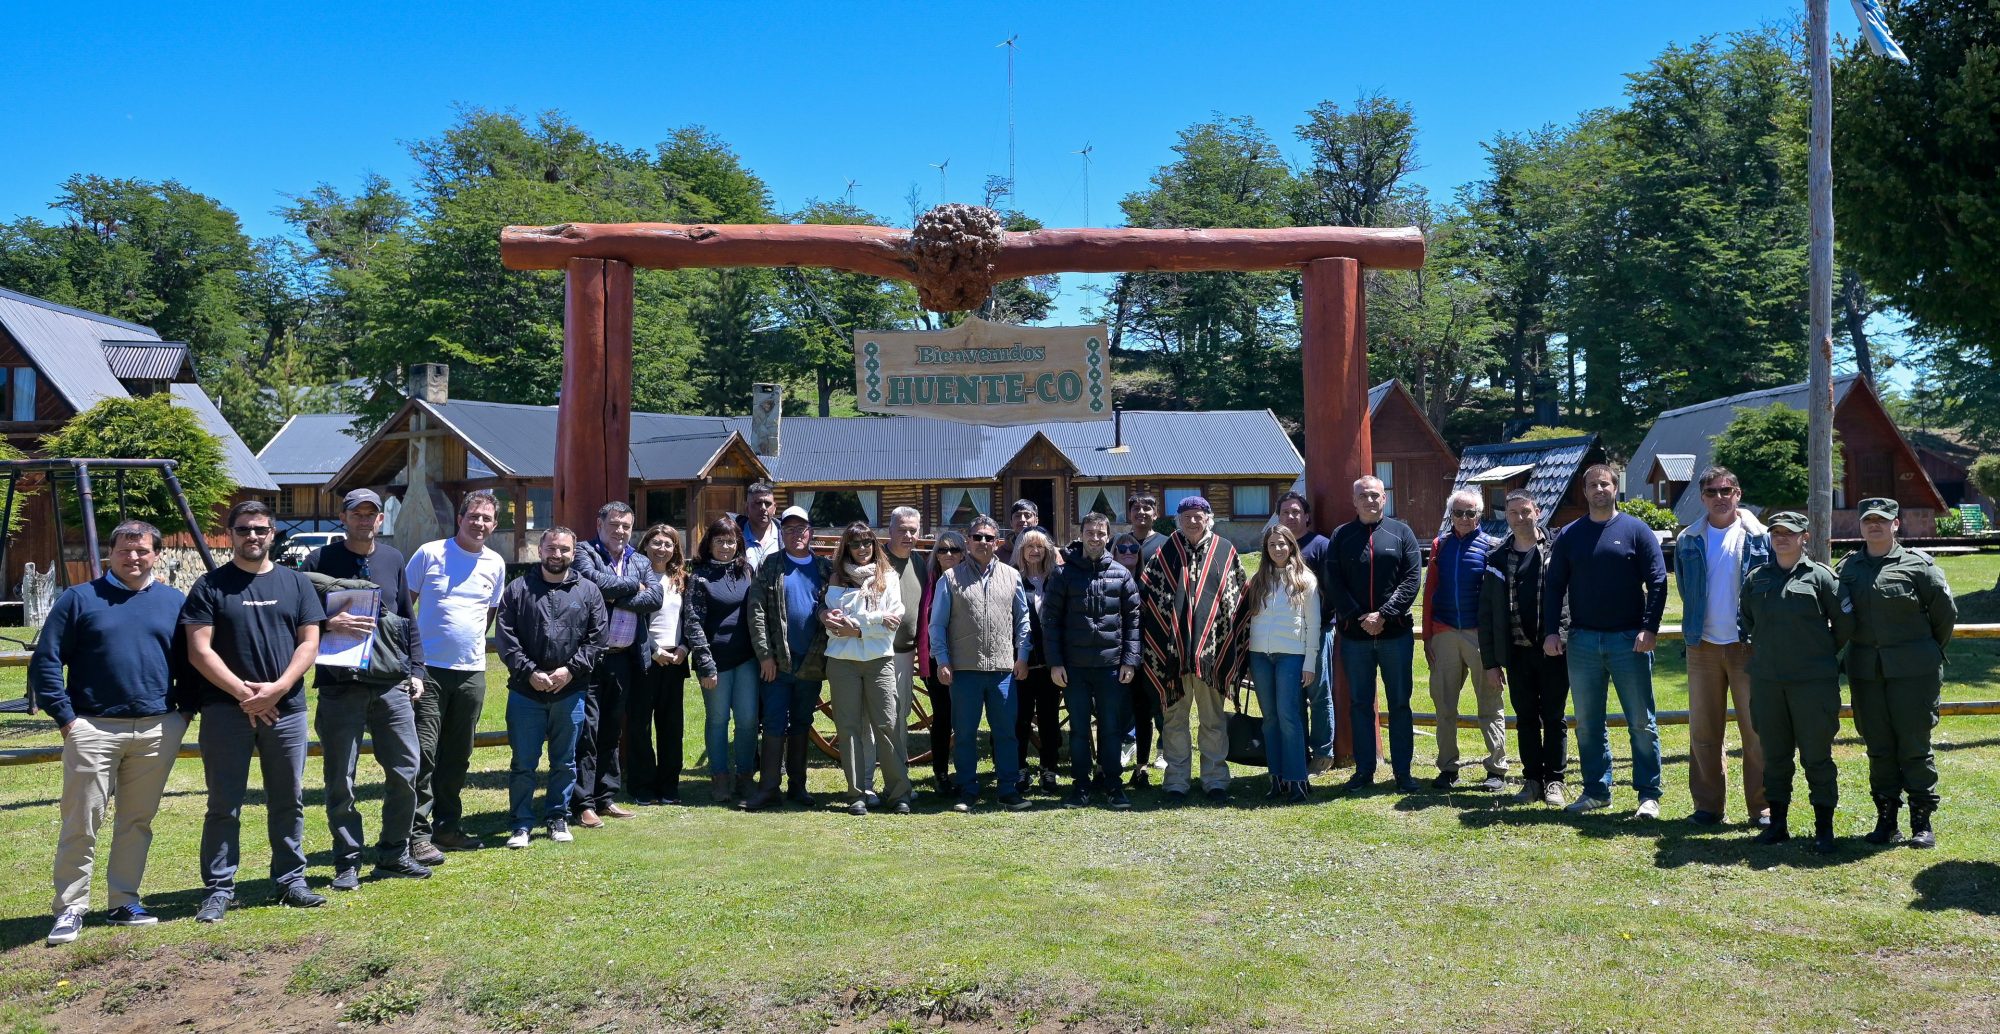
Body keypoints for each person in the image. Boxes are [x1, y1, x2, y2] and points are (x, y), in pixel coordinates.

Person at [34, 520, 188, 944]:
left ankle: (124, 900)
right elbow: (47, 661)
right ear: (111, 553)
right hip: (92, 727)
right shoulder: (79, 599)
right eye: (125, 549)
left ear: (157, 554)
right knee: (82, 821)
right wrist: (67, 718)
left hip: (157, 727)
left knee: (137, 821)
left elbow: (192, 662)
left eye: (142, 550)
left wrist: (183, 714)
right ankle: (70, 909)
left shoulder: (174, 602)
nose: (133, 557)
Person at [183, 501, 328, 922]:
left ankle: (290, 880)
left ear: (273, 533)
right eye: (244, 529)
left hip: (286, 710)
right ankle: (219, 888)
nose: (253, 537)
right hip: (226, 712)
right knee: (224, 804)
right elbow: (199, 649)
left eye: (261, 529)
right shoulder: (210, 586)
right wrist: (244, 694)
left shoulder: (296, 584)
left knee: (289, 799)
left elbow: (309, 643)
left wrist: (278, 689)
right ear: (230, 534)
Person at [301, 489, 429, 891]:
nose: (364, 520)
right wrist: (328, 626)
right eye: (357, 513)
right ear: (343, 517)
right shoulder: (319, 561)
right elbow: (298, 619)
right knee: (342, 778)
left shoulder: (393, 559)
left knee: (406, 771)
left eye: (371, 514)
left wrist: (418, 669)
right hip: (342, 687)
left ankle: (394, 853)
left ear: (380, 520)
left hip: (392, 685)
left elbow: (408, 618)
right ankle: (347, 861)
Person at [1543, 464, 1668, 818]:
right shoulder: (1569, 535)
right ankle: (1597, 791)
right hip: (1582, 641)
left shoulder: (1636, 530)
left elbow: (1658, 582)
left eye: (1605, 483)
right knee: (1587, 722)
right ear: (1584, 492)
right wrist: (1553, 630)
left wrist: (1650, 628)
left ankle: (1648, 795)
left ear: (1616, 488)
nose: (1599, 489)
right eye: (1593, 485)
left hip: (1630, 640)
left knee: (1641, 722)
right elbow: (1554, 587)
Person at [1840, 498, 1957, 849]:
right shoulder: (1848, 568)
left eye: (1882, 520)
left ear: (1896, 524)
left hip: (1913, 672)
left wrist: (1924, 651)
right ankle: (1886, 818)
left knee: (1914, 745)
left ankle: (1922, 822)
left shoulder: (1919, 567)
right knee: (1878, 745)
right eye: (1868, 520)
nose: (1875, 525)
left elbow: (1944, 615)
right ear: (1860, 525)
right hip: (1866, 672)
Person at [404, 490, 507, 859]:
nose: (479, 523)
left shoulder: (496, 563)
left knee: (458, 755)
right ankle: (415, 833)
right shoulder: (430, 553)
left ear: (494, 525)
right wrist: (411, 664)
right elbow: (404, 609)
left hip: (470, 673)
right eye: (473, 516)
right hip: (427, 671)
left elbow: (488, 616)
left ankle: (447, 828)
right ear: (460, 518)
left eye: (487, 519)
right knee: (425, 753)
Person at [1741, 510, 1850, 852]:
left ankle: (1824, 829)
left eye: (1790, 532)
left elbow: (1845, 625)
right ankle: (1778, 824)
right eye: (1776, 532)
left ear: (1805, 537)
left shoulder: (1822, 578)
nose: (1782, 538)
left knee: (1816, 756)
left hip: (1812, 683)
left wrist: (1822, 656)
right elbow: (1746, 620)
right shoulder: (1756, 578)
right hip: (1769, 683)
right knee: (1774, 756)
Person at [494, 527, 608, 849]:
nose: (557, 555)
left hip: (570, 691)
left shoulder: (588, 591)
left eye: (564, 550)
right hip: (525, 692)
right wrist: (529, 672)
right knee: (523, 762)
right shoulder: (518, 589)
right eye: (551, 548)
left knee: (565, 760)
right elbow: (505, 637)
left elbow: (597, 638)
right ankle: (521, 823)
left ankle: (558, 817)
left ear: (574, 553)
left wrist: (569, 672)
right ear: (539, 549)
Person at [1673, 466, 1772, 827]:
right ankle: (1708, 806)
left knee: (1756, 730)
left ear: (1738, 493)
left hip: (1748, 645)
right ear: (1702, 497)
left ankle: (1761, 807)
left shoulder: (1760, 537)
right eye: (1711, 492)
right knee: (1703, 731)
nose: (1719, 497)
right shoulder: (1688, 539)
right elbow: (1685, 589)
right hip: (1703, 646)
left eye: (1725, 490)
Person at [1139, 496, 1249, 804]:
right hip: (1173, 655)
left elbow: (1236, 598)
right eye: (1186, 516)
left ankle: (1214, 779)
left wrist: (1230, 641)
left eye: (1198, 516)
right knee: (1174, 719)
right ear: (1178, 520)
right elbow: (1151, 600)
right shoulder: (1165, 552)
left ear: (1209, 518)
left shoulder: (1225, 551)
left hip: (1212, 653)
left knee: (1213, 719)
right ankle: (1176, 780)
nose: (1192, 521)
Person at [1322, 476, 1423, 794]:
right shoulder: (1342, 536)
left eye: (1375, 495)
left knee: (1400, 704)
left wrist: (1385, 614)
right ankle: (1365, 770)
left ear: (1385, 498)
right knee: (1360, 704)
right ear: (1354, 500)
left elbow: (1412, 578)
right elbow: (1332, 580)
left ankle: (1403, 773)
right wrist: (1358, 616)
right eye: (1363, 495)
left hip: (1395, 636)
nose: (1369, 500)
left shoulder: (1402, 532)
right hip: (1355, 637)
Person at [930, 514, 1033, 812]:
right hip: (964, 670)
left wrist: (1022, 655)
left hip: (1002, 669)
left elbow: (1023, 619)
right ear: (968, 540)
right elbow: (937, 625)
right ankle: (967, 789)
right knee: (964, 733)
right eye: (977, 537)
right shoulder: (949, 579)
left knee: (1006, 733)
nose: (983, 542)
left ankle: (1007, 789)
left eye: (989, 538)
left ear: (997, 542)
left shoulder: (1012, 576)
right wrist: (943, 660)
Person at [569, 501, 662, 824]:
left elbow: (656, 598)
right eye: (614, 524)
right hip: (591, 660)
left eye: (626, 525)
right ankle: (583, 803)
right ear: (600, 524)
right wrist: (633, 587)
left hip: (625, 659)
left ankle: (606, 796)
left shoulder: (638, 559)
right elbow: (590, 583)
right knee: (588, 731)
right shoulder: (584, 551)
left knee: (612, 730)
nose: (620, 531)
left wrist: (615, 593)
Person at [1478, 491, 1571, 807]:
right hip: (1517, 653)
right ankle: (1532, 781)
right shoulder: (1498, 558)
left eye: (1525, 511)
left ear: (1538, 512)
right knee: (1526, 718)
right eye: (1513, 512)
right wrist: (1491, 662)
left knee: (1554, 717)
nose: (1520, 517)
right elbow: (1487, 615)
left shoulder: (1557, 550)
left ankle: (1555, 781)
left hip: (1554, 650)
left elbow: (1568, 599)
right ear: (1507, 517)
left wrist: (1558, 632)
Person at [1044, 512, 1141, 810]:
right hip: (1075, 667)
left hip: (1112, 667)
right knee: (1079, 730)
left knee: (1111, 728)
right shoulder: (1063, 574)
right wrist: (1055, 663)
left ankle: (1113, 784)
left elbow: (1133, 620)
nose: (1095, 538)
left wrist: (1129, 661)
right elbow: (1051, 621)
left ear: (1108, 536)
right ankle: (1081, 786)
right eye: (1090, 532)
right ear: (1081, 534)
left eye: (1100, 533)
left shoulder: (1121, 574)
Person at [744, 505, 830, 811]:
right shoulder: (771, 564)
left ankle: (798, 786)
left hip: (811, 662)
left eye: (802, 529)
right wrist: (765, 655)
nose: (796, 534)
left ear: (810, 533)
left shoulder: (823, 568)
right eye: (790, 529)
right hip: (777, 662)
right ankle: (768, 787)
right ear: (783, 533)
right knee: (773, 722)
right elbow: (756, 612)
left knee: (803, 723)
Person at [821, 521, 909, 815]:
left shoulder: (888, 577)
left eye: (867, 543)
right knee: (849, 728)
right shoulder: (836, 577)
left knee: (888, 724)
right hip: (842, 662)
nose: (862, 549)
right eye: (856, 544)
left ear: (874, 545)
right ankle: (857, 792)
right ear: (846, 547)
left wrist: (858, 628)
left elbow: (894, 617)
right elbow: (834, 622)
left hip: (878, 660)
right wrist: (873, 619)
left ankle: (898, 792)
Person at [1423, 490, 1505, 791]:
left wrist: (1498, 647)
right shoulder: (1439, 546)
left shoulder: (1493, 546)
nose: (1465, 518)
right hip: (1444, 633)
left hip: (1479, 635)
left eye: (1471, 513)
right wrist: (1428, 637)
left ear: (1480, 514)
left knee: (1490, 703)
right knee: (1444, 705)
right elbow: (1429, 592)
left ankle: (1496, 769)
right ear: (1451, 514)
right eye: (1459, 513)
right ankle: (1447, 768)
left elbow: (1500, 601)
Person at [685, 517, 759, 805]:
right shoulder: (699, 576)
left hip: (746, 659)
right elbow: (692, 622)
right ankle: (719, 777)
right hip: (715, 661)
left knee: (747, 720)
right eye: (719, 541)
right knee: (717, 720)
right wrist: (705, 663)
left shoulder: (747, 572)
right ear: (709, 544)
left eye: (731, 541)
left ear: (738, 543)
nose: (726, 547)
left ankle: (745, 777)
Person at [1244, 524, 1320, 803]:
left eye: (1282, 544)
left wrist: (1309, 661)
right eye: (1272, 544)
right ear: (1266, 548)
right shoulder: (1259, 580)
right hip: (1260, 655)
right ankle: (1275, 778)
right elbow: (1251, 619)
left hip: (1291, 654)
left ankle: (1297, 778)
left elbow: (1313, 623)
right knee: (1270, 719)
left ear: (1291, 546)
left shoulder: (1305, 579)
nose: (1278, 549)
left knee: (1289, 716)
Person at [1275, 491, 1337, 777]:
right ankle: (1297, 751)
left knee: (1319, 691)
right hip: (1286, 635)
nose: (1291, 516)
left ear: (1307, 516)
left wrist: (1321, 622)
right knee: (1292, 694)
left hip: (1319, 629)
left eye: (1297, 511)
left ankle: (1323, 753)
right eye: (1286, 512)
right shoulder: (1276, 547)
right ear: (1279, 517)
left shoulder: (1320, 545)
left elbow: (1330, 589)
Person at [631, 523, 690, 805]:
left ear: (675, 549)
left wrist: (684, 648)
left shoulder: (681, 579)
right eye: (656, 543)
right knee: (640, 725)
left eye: (668, 544)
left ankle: (669, 785)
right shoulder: (636, 577)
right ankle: (643, 786)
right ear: (645, 545)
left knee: (671, 726)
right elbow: (634, 621)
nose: (662, 549)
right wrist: (653, 650)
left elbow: (691, 621)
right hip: (645, 658)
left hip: (675, 659)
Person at [1120, 493, 1169, 783]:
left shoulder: (1164, 544)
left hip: (1156, 629)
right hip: (1125, 628)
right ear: (1129, 512)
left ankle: (1163, 746)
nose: (1141, 512)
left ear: (1155, 512)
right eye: (1136, 507)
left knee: (1158, 692)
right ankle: (1128, 742)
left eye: (1147, 508)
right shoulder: (1120, 542)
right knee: (1128, 692)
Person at [882, 506, 931, 800]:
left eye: (913, 530)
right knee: (873, 719)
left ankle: (898, 779)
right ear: (890, 530)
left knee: (899, 717)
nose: (908, 535)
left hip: (904, 653)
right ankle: (866, 783)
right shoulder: (877, 562)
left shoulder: (919, 563)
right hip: (876, 651)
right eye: (902, 529)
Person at [1011, 529, 1063, 794]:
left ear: (1047, 551)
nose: (1034, 551)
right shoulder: (1013, 579)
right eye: (1029, 546)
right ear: (1021, 550)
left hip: (1051, 664)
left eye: (1040, 547)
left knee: (1049, 720)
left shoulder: (1057, 579)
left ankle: (1049, 770)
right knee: (1019, 720)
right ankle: (1020, 770)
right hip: (1021, 663)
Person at [919, 530, 966, 795]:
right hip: (936, 659)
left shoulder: (969, 579)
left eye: (955, 550)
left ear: (963, 554)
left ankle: (964, 772)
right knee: (942, 717)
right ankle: (940, 773)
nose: (948, 554)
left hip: (966, 658)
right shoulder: (928, 580)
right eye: (943, 549)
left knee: (965, 720)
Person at [737, 482, 782, 569]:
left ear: (775, 508)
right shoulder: (734, 536)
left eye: (768, 503)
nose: (763, 508)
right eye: (758, 503)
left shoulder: (786, 536)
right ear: (746, 507)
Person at [996, 498, 1051, 567]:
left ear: (1036, 521)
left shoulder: (1048, 551)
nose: (1022, 519)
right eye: (1017, 516)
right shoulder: (1000, 554)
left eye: (1027, 515)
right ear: (1011, 522)